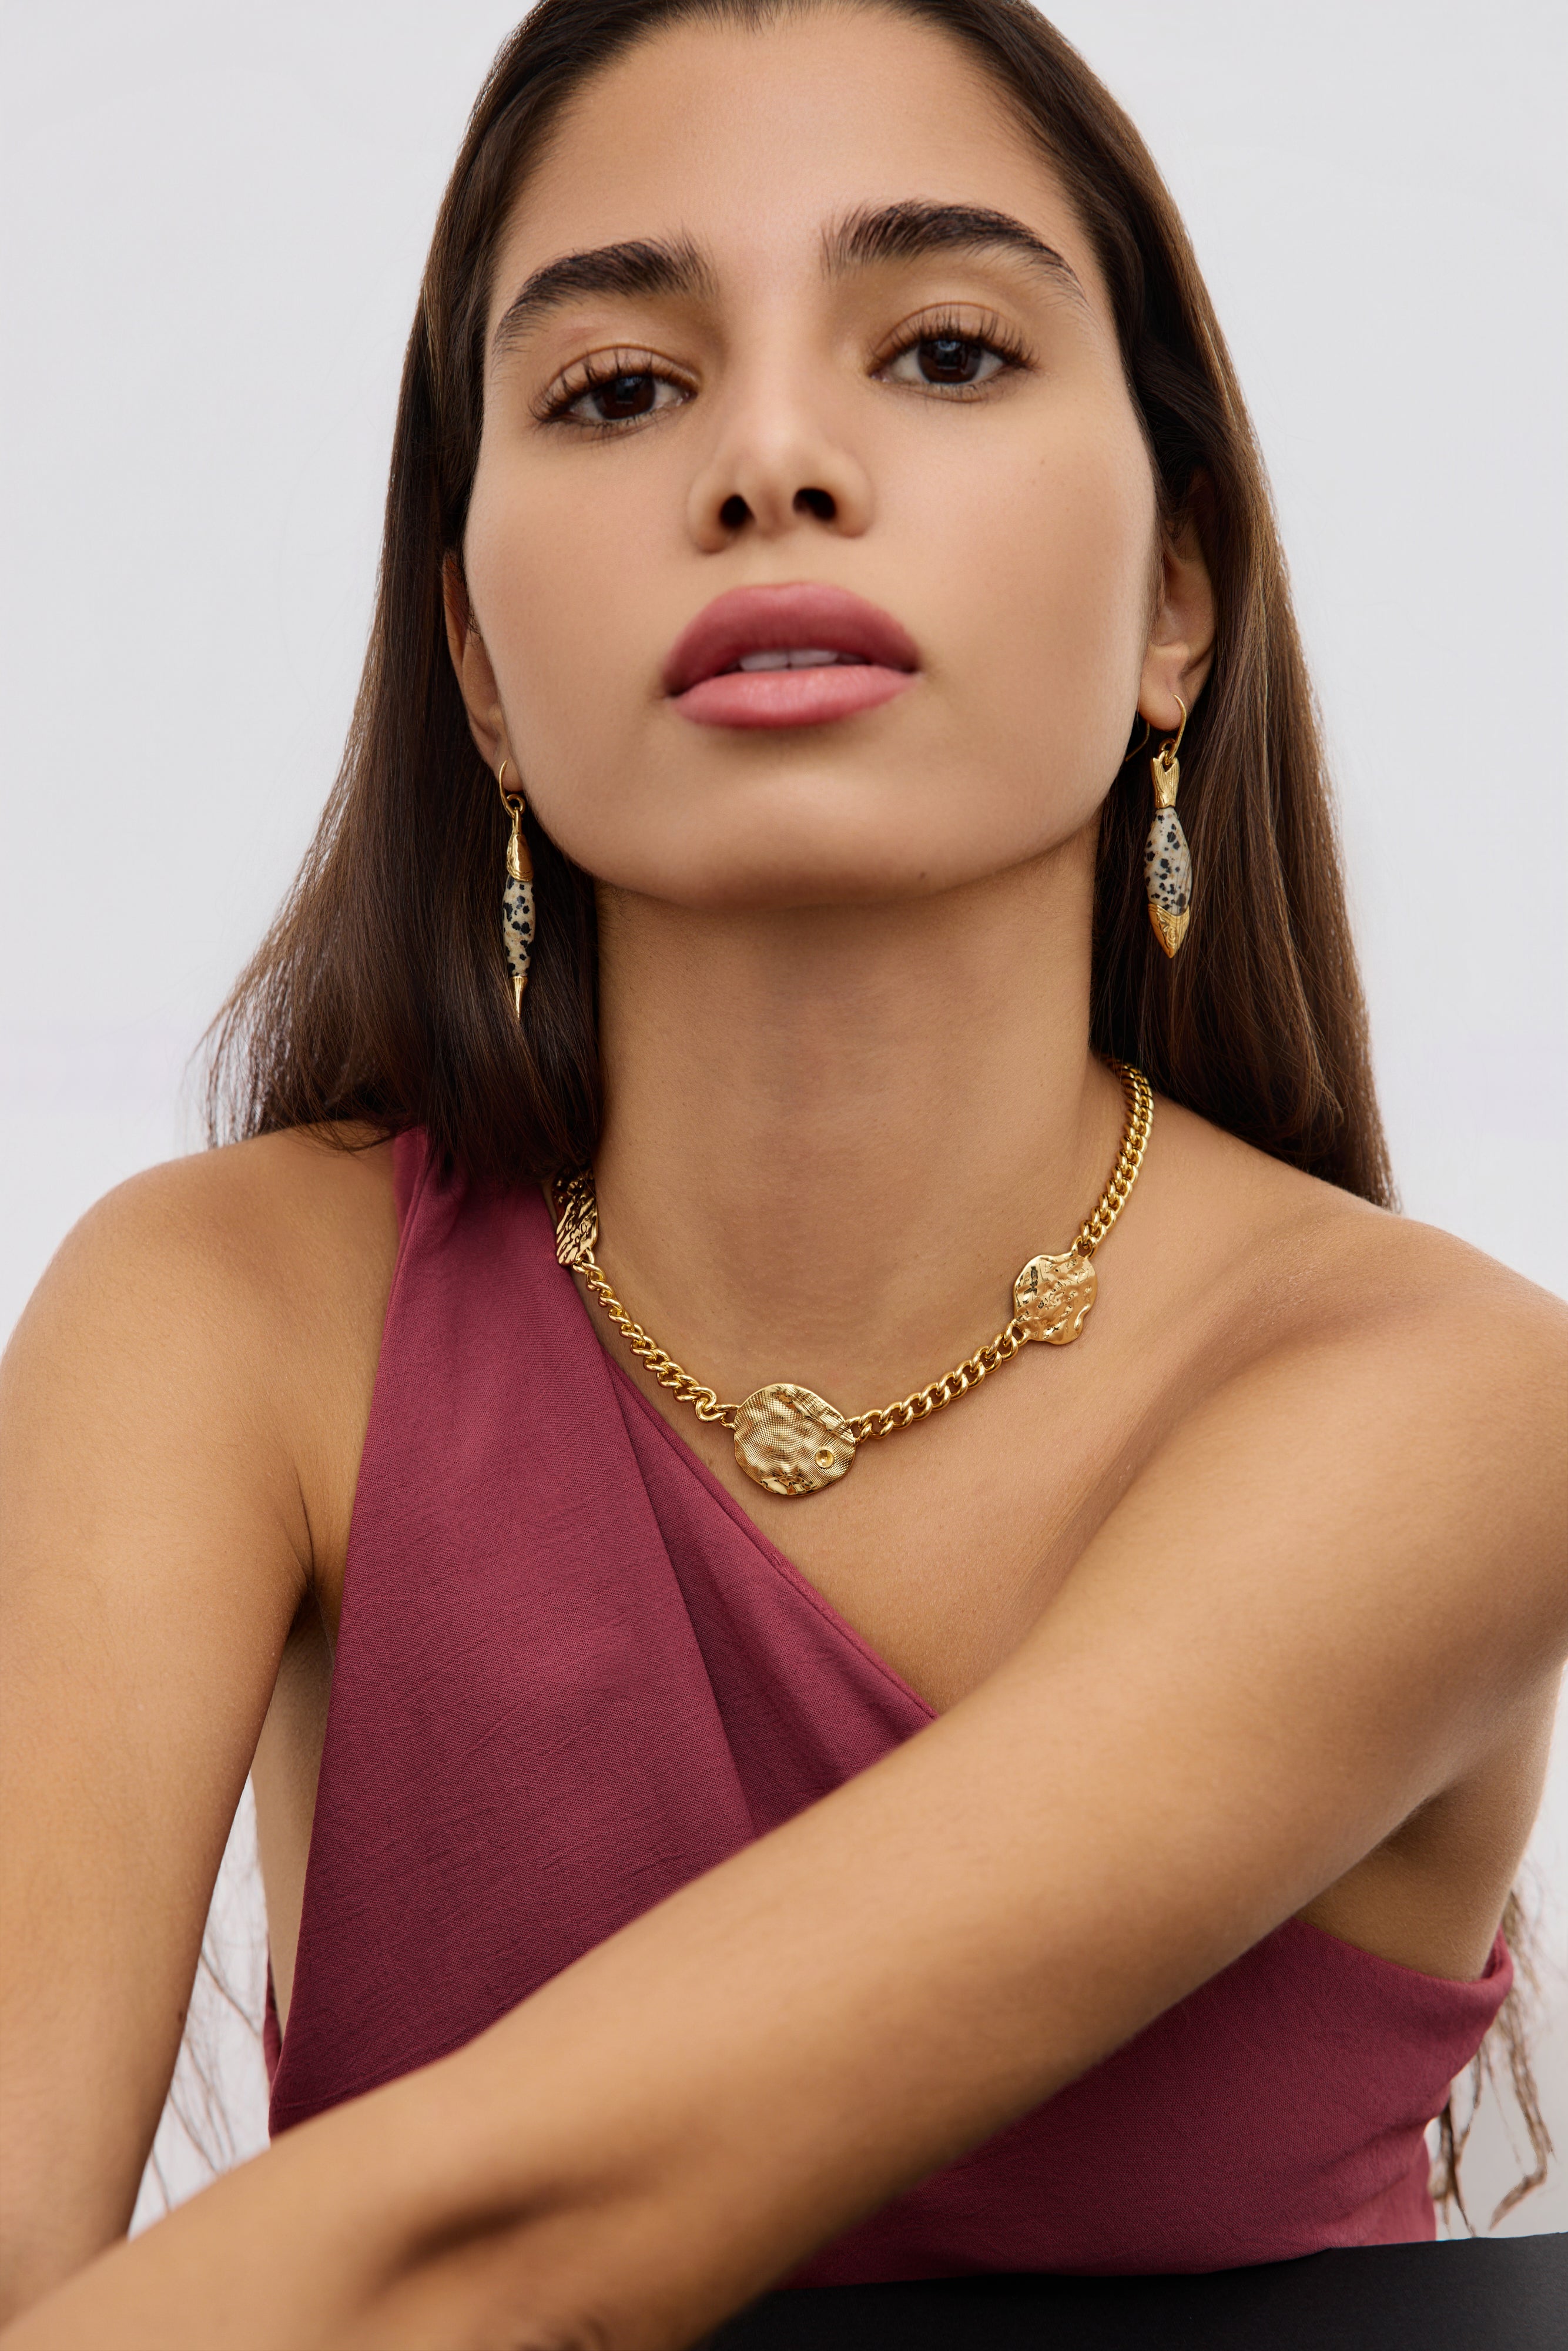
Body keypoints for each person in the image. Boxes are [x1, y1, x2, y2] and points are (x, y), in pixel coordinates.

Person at [1, 2, 1563, 2344]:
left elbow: (507, 2254)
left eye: (938, 348)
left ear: (1176, 598)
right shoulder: (227, 1309)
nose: (770, 458)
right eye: (618, 388)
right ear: (481, 668)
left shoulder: (1458, 1408)